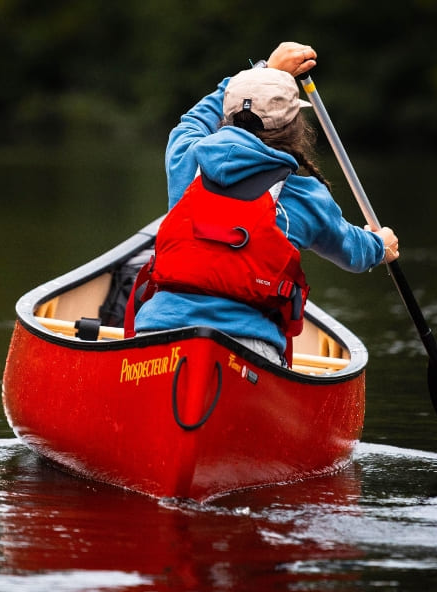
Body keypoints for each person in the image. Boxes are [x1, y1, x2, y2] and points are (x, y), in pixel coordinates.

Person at [131, 41, 400, 365]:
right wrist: (380, 245)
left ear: (227, 115)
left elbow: (194, 120)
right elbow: (354, 252)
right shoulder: (303, 195)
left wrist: (263, 70)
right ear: (294, 125)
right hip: (247, 349)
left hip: (157, 335)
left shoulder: (188, 160)